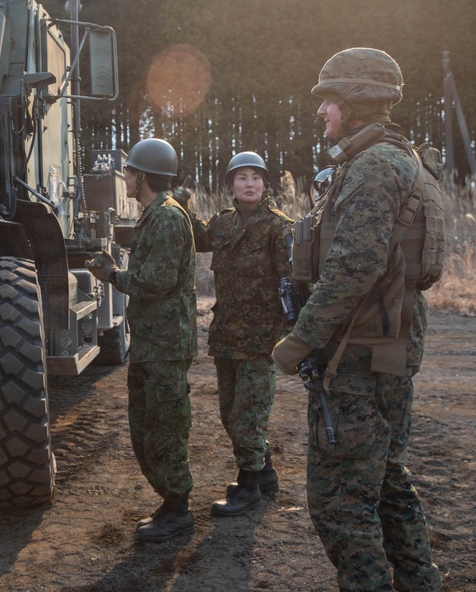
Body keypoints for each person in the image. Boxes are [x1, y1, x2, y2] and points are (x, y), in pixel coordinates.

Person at [272, 47, 443, 591]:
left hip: (358, 359)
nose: (321, 111)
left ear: (356, 101)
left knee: (341, 506)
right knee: (388, 481)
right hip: (384, 349)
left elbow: (353, 268)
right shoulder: (399, 160)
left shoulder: (373, 168)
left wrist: (300, 341)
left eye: (329, 100)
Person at [86, 137, 198, 542]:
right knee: (147, 426)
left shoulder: (166, 217)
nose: (126, 178)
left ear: (143, 176)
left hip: (166, 345)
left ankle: (178, 509)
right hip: (155, 343)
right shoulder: (156, 215)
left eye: (130, 172)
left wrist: (111, 275)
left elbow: (155, 281)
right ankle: (171, 501)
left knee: (165, 427)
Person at [182, 152, 291, 516]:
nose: (249, 184)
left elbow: (293, 283)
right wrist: (181, 203)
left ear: (265, 184)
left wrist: (295, 334)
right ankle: (265, 474)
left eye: (255, 177)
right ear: (230, 185)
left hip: (261, 340)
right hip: (227, 335)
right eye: (241, 177)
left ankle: (248, 489)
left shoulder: (279, 227)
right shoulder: (223, 223)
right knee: (230, 413)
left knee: (249, 415)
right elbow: (197, 236)